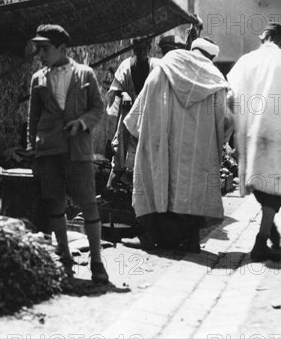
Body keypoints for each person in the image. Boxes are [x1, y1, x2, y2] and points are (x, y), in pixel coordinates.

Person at [123, 37, 232, 252]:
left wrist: (143, 136)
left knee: (156, 184)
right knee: (191, 191)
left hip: (160, 144)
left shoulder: (162, 70)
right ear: (211, 57)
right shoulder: (217, 82)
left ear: (192, 49)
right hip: (197, 153)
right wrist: (219, 141)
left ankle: (151, 235)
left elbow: (137, 114)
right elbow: (226, 122)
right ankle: (191, 240)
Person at [27, 24, 108, 283]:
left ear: (62, 49)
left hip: (78, 151)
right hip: (48, 150)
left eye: (45, 48)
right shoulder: (38, 79)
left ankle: (97, 262)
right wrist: (32, 151)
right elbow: (33, 119)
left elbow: (98, 108)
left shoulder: (85, 74)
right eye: (38, 48)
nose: (40, 53)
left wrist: (82, 123)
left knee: (88, 202)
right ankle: (64, 258)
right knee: (54, 203)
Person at [227, 22, 281, 262]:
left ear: (263, 38)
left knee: (261, 183)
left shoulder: (245, 61)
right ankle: (260, 241)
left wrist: (239, 126)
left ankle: (269, 228)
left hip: (254, 132)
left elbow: (231, 98)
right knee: (275, 188)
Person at [105, 38, 158, 191]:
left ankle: (141, 190)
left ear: (149, 48)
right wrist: (124, 94)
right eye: (137, 48)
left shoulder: (156, 66)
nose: (141, 51)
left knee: (145, 152)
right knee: (120, 150)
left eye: (144, 48)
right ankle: (112, 187)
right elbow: (115, 88)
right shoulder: (126, 65)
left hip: (147, 117)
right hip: (128, 116)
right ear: (133, 48)